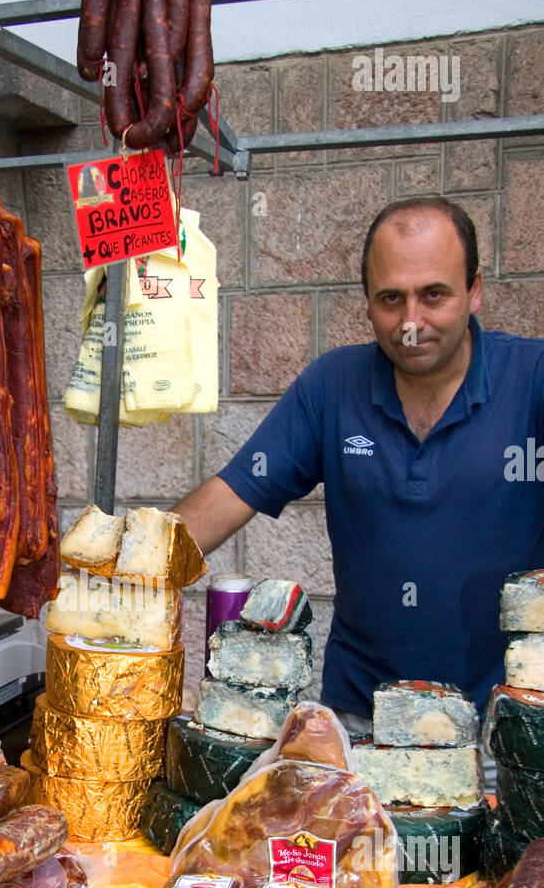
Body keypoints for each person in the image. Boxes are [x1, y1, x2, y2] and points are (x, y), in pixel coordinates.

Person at [175, 196, 544, 727]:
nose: (412, 322)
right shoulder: (333, 386)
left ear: (475, 290)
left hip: (504, 726)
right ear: (367, 303)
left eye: (434, 295)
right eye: (391, 299)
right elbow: (229, 496)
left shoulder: (531, 380)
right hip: (359, 719)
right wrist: (130, 574)